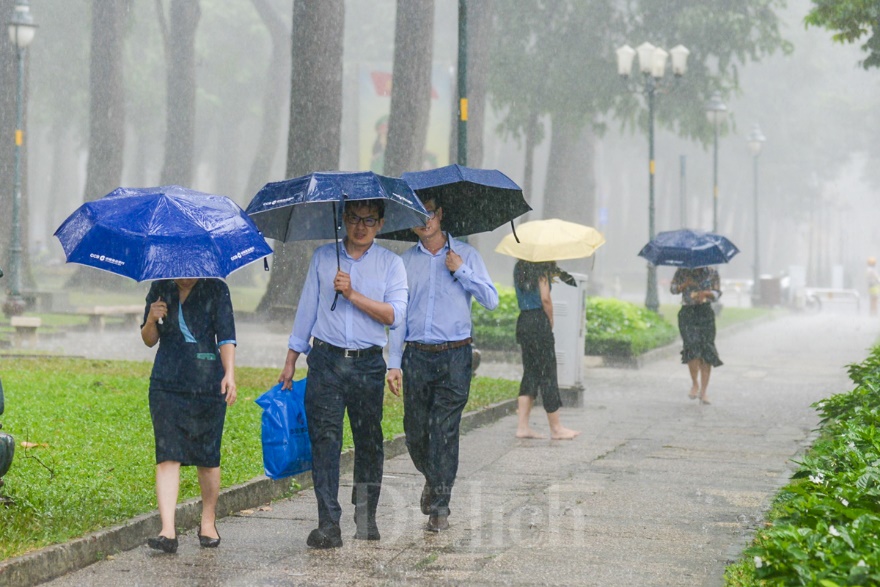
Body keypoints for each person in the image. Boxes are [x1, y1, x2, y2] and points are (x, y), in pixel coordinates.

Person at [279, 199, 407, 549]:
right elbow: (307, 308)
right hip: (326, 361)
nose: (360, 226)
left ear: (380, 224)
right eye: (353, 218)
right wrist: (292, 357)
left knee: (369, 442)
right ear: (343, 220)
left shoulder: (391, 264)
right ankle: (328, 522)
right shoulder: (323, 257)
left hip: (367, 364)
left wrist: (351, 293)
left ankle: (366, 515)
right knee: (325, 442)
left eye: (369, 220)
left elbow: (394, 315)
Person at [386, 198, 499, 532]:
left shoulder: (466, 255)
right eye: (418, 215)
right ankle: (433, 478)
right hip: (417, 355)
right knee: (416, 432)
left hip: (455, 356)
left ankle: (440, 506)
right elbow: (399, 316)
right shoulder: (404, 263)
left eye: (430, 212)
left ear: (441, 214)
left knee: (445, 431)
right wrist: (394, 362)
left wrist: (461, 270)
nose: (425, 220)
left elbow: (491, 300)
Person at [140, 278, 238, 554]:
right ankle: (167, 531)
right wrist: (151, 319)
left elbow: (227, 336)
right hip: (166, 383)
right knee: (167, 453)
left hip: (208, 381)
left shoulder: (216, 289)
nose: (185, 276)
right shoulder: (161, 288)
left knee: (207, 457)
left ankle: (208, 521)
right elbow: (149, 340)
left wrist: (229, 373)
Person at [513, 260, 580, 440]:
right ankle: (556, 428)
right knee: (548, 372)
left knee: (530, 372)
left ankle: (522, 427)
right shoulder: (541, 270)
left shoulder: (519, 268)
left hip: (524, 321)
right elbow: (545, 299)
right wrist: (550, 320)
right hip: (538, 321)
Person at [670, 266, 723, 404]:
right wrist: (685, 285)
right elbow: (673, 289)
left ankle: (704, 392)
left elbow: (717, 293)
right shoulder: (682, 270)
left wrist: (706, 294)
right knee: (691, 348)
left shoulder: (712, 272)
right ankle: (695, 383)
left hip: (705, 313)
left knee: (707, 350)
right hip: (687, 313)